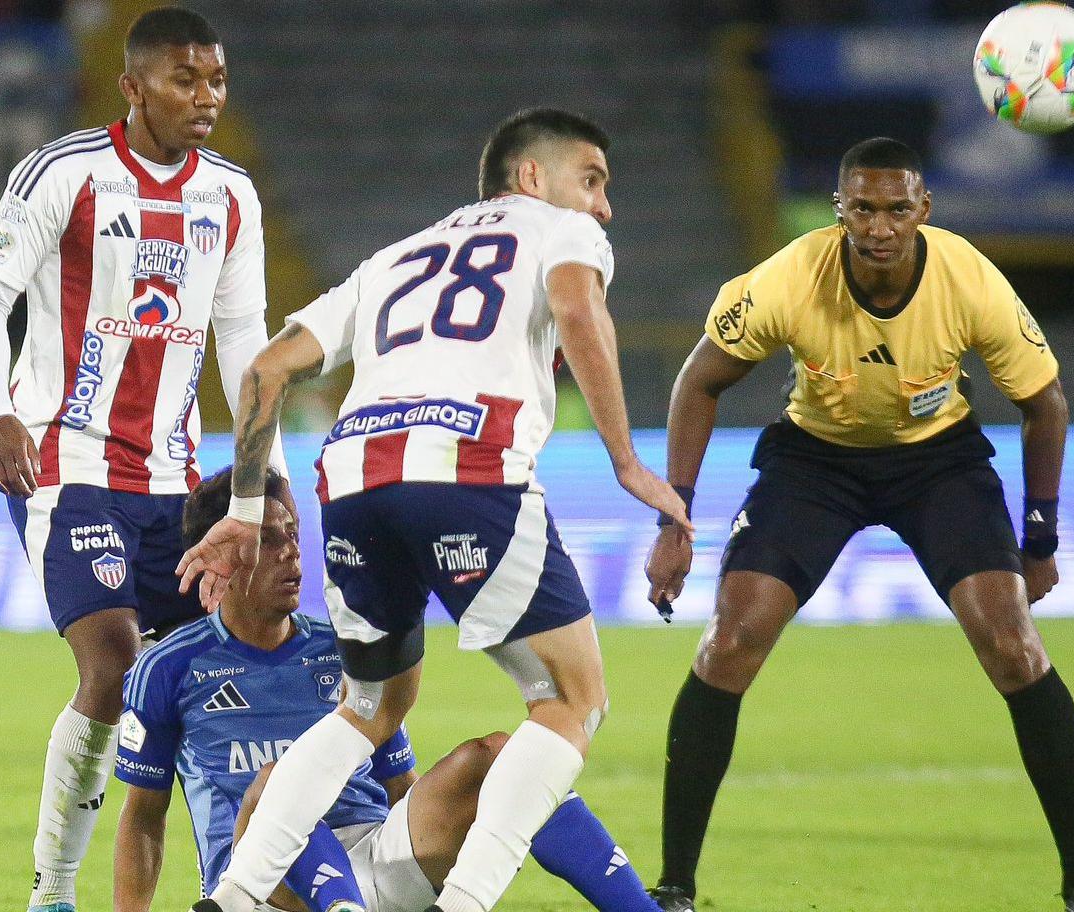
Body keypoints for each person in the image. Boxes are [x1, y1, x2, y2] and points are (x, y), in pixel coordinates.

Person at [177, 108, 691, 912]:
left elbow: (266, 372)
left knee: (371, 704)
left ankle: (234, 895)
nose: (602, 206)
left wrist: (245, 506)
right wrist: (625, 460)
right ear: (532, 178)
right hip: (469, 464)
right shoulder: (560, 231)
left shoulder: (392, 259)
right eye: (591, 180)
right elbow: (578, 308)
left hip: (349, 477)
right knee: (570, 699)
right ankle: (465, 903)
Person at [643, 137, 1074, 912]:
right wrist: (674, 518)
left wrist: (1039, 538)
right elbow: (699, 381)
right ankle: (674, 888)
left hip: (938, 465)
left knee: (1013, 646)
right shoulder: (791, 275)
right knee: (727, 643)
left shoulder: (966, 277)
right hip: (814, 464)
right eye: (862, 208)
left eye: (898, 208)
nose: (880, 226)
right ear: (839, 211)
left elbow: (1046, 403)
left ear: (923, 210)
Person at [0, 8, 286, 911]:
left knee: (210, 683)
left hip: (175, 483)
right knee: (111, 664)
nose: (206, 97)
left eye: (216, 80)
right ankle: (53, 895)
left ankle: (234, 885)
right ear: (133, 87)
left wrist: (255, 491)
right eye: (185, 79)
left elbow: (246, 348)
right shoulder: (65, 173)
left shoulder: (232, 197)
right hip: (65, 463)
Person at [113, 468, 663, 912]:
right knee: (271, 791)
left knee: (499, 757)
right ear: (224, 554)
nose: (291, 552)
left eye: (294, 534)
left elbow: (401, 782)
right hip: (261, 884)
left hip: (378, 863)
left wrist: (470, 824)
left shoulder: (345, 650)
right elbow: (142, 817)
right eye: (269, 538)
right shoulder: (169, 668)